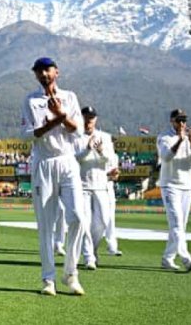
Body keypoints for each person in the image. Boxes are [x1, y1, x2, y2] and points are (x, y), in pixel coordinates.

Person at [20, 57, 86, 296]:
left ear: (56, 71)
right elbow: (28, 134)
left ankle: (71, 273)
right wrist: (54, 122)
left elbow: (77, 130)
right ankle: (48, 279)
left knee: (78, 216)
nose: (43, 74)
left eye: (47, 70)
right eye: (38, 71)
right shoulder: (31, 100)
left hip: (68, 160)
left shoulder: (70, 97)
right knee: (46, 225)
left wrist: (61, 115)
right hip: (44, 163)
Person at [157, 108, 191, 272]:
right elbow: (166, 157)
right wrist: (179, 140)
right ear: (172, 121)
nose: (182, 123)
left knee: (179, 226)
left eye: (184, 120)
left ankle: (167, 258)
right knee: (177, 223)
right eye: (179, 120)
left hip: (187, 186)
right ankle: (186, 258)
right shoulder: (164, 137)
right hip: (170, 185)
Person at [75, 106, 115, 270]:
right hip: (82, 185)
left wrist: (100, 151)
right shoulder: (75, 136)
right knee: (85, 222)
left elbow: (110, 160)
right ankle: (88, 257)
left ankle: (93, 249)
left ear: (95, 119)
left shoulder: (105, 137)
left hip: (100, 185)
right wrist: (87, 149)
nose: (88, 120)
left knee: (103, 222)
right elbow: (73, 159)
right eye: (86, 116)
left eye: (91, 117)